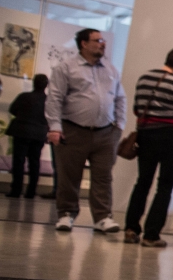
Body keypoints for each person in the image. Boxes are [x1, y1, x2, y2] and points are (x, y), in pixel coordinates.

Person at [46, 29, 127, 233]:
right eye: (98, 40)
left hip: (106, 133)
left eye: (103, 40)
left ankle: (102, 218)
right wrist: (55, 127)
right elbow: (54, 98)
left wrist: (119, 125)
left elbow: (120, 98)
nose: (103, 44)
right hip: (73, 130)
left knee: (103, 177)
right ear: (84, 43)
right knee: (69, 176)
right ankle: (66, 214)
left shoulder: (110, 69)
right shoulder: (66, 68)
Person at [124, 48, 173, 247]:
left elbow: (136, 108)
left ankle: (131, 228)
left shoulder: (144, 78)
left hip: (146, 135)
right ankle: (151, 234)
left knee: (142, 182)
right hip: (171, 138)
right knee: (164, 186)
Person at [5, 74, 49, 198]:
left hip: (21, 131)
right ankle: (31, 191)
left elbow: (12, 109)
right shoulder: (49, 101)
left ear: (34, 83)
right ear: (46, 85)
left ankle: (16, 190)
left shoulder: (24, 97)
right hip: (38, 134)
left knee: (19, 162)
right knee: (34, 163)